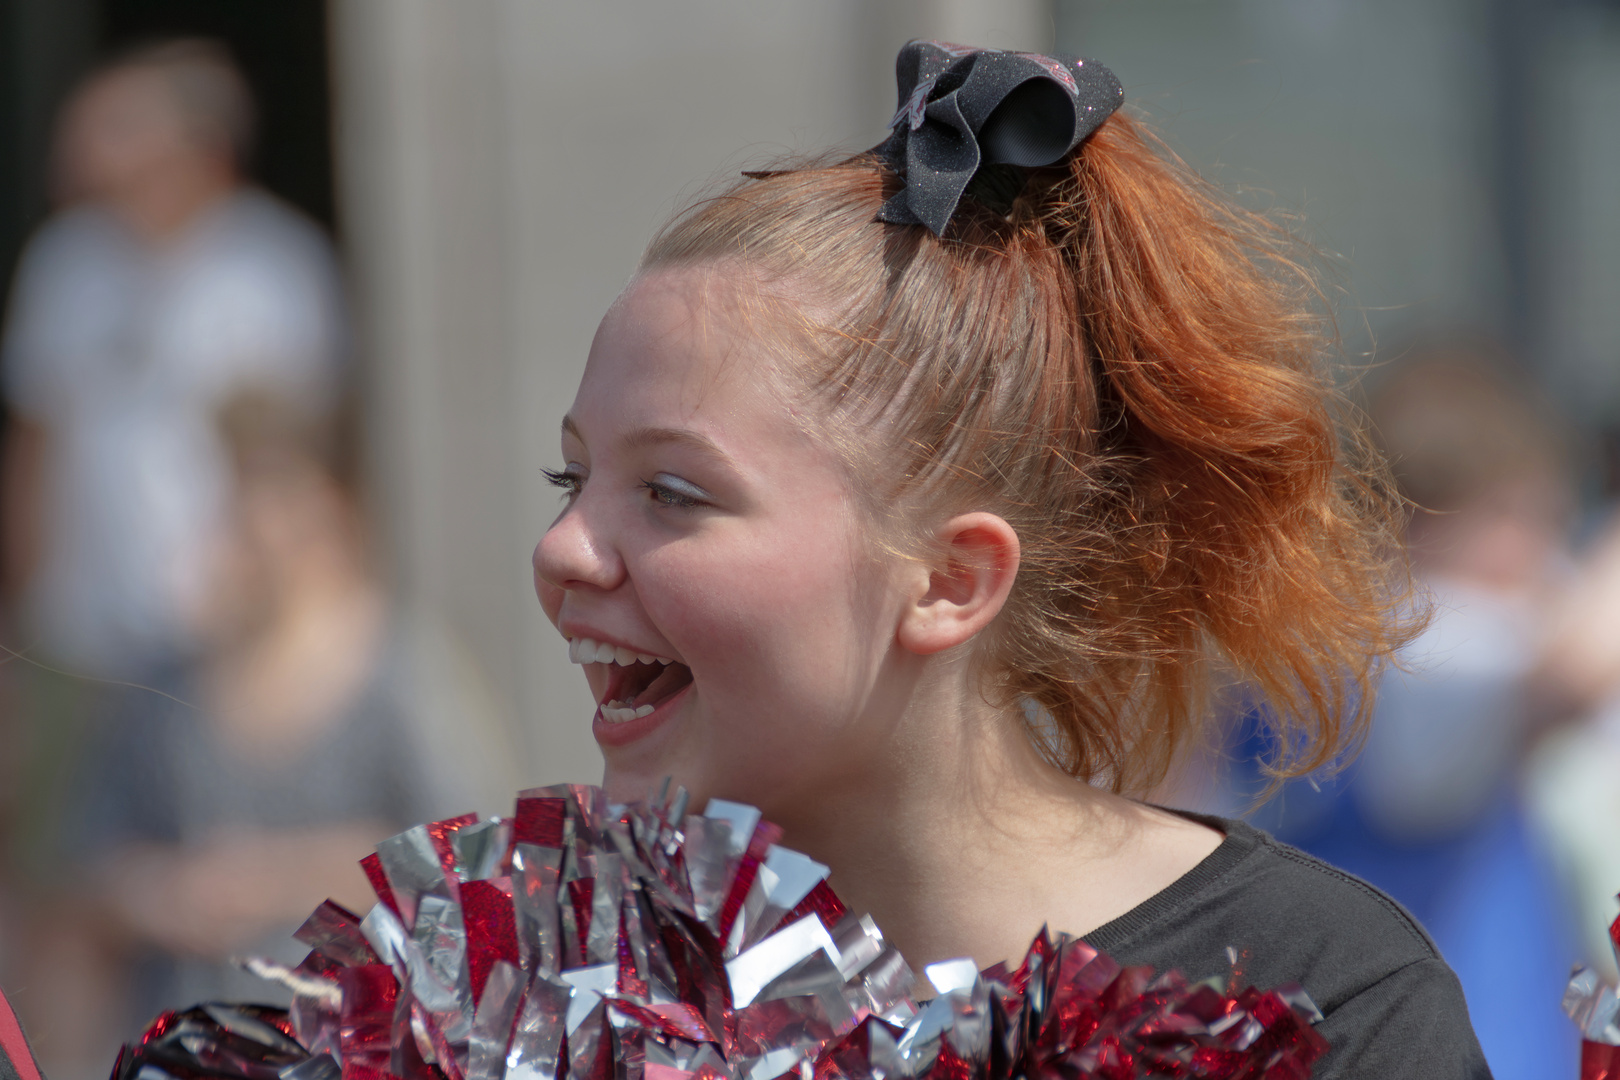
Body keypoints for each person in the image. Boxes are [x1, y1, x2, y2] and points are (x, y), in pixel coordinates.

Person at [531, 42, 1487, 1077]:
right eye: (570, 481)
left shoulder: (1315, 1003)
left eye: (674, 493)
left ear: (951, 581)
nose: (564, 550)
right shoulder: (532, 986)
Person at [1, 38, 344, 679]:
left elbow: (310, 463)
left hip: (224, 631)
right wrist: (17, 620)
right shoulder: (65, 262)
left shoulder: (279, 269)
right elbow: (31, 448)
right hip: (79, 636)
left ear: (201, 149)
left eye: (129, 131)